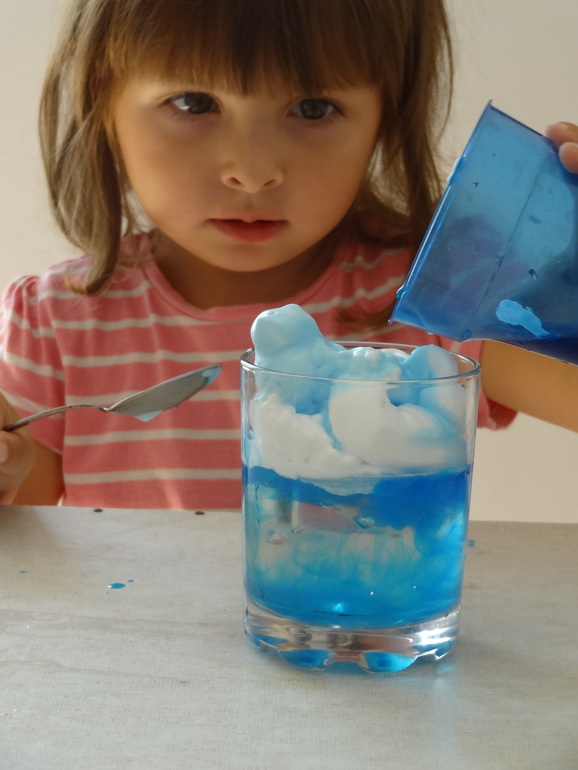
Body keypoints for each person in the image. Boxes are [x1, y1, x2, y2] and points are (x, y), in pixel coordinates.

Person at [0, 0, 577, 510]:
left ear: (387, 115)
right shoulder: (54, 324)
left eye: (313, 109)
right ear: (102, 102)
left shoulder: (448, 296)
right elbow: (26, 549)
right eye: (194, 103)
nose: (252, 172)